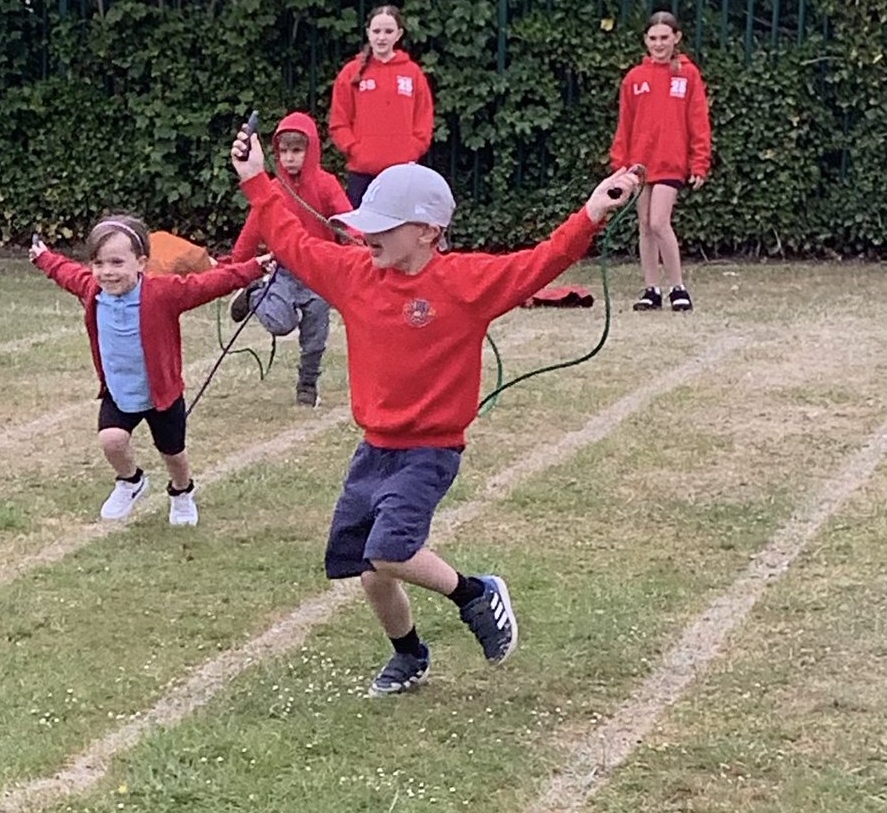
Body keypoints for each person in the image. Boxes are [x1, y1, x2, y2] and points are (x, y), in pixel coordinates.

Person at [230, 129, 640, 695]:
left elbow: (542, 261)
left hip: (430, 450)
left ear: (427, 231)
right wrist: (256, 178)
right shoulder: (352, 275)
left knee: (390, 550)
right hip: (373, 449)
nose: (366, 235)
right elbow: (291, 241)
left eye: (383, 226)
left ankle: (475, 593)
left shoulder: (464, 282)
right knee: (370, 570)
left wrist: (592, 212)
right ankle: (410, 654)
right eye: (365, 225)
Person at [30, 214, 269, 524]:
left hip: (162, 394)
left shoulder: (162, 293)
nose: (107, 272)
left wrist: (254, 267)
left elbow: (209, 283)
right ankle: (131, 481)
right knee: (111, 440)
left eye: (117, 263)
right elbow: (66, 272)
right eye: (99, 263)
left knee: (173, 454)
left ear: (141, 263)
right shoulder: (92, 289)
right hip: (119, 391)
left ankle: (182, 492)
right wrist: (43, 257)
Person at [228, 112, 352, 408]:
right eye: (283, 151)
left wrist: (356, 241)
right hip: (284, 271)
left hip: (319, 274)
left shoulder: (326, 184)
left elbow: (346, 218)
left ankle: (307, 384)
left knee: (315, 336)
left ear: (311, 151)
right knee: (280, 322)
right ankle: (254, 295)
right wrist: (236, 268)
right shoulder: (273, 189)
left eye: (296, 151)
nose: (289, 158)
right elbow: (253, 228)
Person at [610, 11, 712, 312]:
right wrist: (620, 165)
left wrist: (699, 161)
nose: (659, 44)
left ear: (676, 38)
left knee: (658, 221)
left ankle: (678, 288)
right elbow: (625, 125)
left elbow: (698, 120)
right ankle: (651, 289)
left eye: (664, 38)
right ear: (645, 40)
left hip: (671, 161)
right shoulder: (634, 78)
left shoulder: (688, 75)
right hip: (640, 164)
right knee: (644, 224)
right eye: (653, 38)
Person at [328, 4, 435, 207]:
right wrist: (355, 150)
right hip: (362, 172)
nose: (382, 37)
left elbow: (424, 118)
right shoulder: (351, 73)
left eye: (388, 31)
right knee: (361, 226)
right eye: (376, 31)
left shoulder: (413, 73)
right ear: (368, 32)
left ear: (399, 34)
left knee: (401, 225)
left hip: (403, 172)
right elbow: (339, 121)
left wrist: (412, 150)